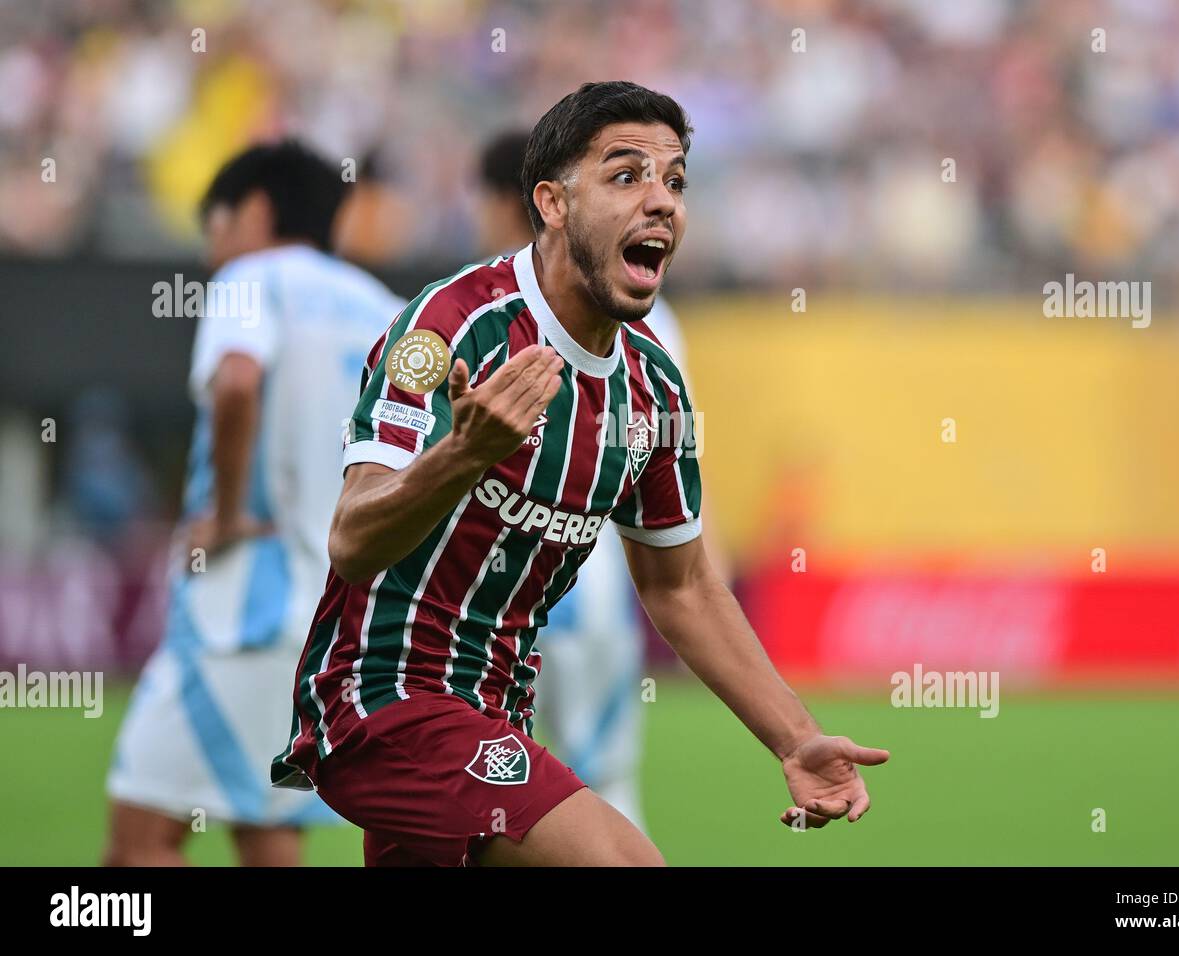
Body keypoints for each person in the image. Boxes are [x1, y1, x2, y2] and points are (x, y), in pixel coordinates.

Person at [271, 81, 890, 866]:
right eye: (626, 175)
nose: (660, 200)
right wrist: (463, 455)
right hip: (384, 701)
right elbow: (353, 540)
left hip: (498, 714)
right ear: (553, 203)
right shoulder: (455, 326)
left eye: (675, 179)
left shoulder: (655, 388)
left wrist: (796, 739)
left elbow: (682, 585)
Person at [105, 140, 405, 866]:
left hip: (242, 610)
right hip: (334, 622)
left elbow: (238, 381)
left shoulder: (249, 281)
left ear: (258, 211)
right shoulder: (387, 308)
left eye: (218, 218)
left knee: (137, 844)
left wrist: (231, 513)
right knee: (266, 835)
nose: (213, 241)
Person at [473, 128, 692, 830]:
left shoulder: (485, 314)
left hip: (497, 597)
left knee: (500, 808)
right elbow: (673, 462)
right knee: (602, 790)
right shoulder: (659, 323)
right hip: (594, 592)